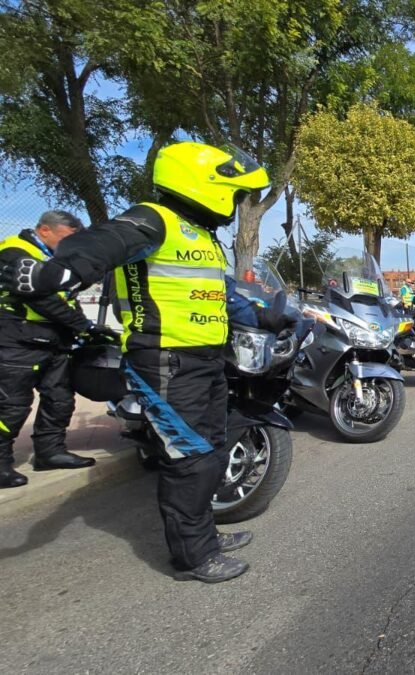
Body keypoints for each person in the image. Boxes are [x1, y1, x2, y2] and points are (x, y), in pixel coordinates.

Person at [0, 142, 293, 583]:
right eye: (234, 193)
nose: (236, 204)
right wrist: (60, 272)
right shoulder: (151, 219)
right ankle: (193, 558)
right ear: (203, 185)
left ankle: (205, 536)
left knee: (213, 451)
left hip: (206, 360)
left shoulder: (202, 237)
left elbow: (220, 294)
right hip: (165, 362)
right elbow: (103, 242)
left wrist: (264, 316)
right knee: (191, 459)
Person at [0, 210, 110, 489]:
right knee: (11, 405)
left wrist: (84, 330)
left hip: (54, 341)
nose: (70, 244)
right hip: (18, 342)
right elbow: (40, 298)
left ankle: (50, 453)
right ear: (45, 230)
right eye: (67, 237)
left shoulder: (52, 259)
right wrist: (83, 325)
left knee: (59, 399)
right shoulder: (16, 251)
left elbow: (66, 298)